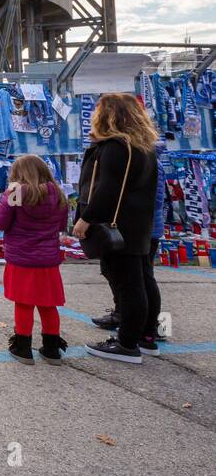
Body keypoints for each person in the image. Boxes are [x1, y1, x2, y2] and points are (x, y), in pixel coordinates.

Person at [72, 93, 160, 364]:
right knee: (142, 280)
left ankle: (127, 343)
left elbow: (107, 189)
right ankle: (146, 336)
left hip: (118, 225)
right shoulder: (142, 146)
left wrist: (86, 218)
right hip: (138, 225)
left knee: (128, 285)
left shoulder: (116, 147)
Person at [0, 155, 70, 364]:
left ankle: (23, 347)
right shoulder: (57, 192)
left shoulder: (17, 191)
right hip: (47, 259)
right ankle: (52, 348)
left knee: (24, 303)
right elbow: (62, 225)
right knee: (48, 304)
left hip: (22, 258)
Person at [92, 141, 166, 349]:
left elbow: (146, 199)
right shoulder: (148, 159)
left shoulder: (143, 160)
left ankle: (140, 330)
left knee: (135, 281)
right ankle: (141, 328)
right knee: (136, 279)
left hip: (140, 228)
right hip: (145, 227)